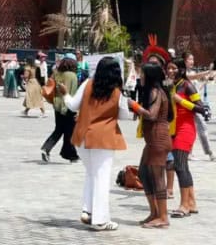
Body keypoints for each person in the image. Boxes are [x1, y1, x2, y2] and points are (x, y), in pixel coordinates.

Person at [57, 56, 133, 231]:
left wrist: (65, 94)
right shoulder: (117, 92)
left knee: (91, 174)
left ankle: (88, 211)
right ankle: (100, 219)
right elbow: (124, 116)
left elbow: (72, 105)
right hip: (103, 138)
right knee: (102, 177)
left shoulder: (87, 84)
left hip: (82, 136)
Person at [132, 62, 172, 228]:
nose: (140, 77)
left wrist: (134, 106)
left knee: (157, 177)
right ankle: (154, 212)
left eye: (142, 74)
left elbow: (152, 115)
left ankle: (163, 217)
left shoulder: (155, 92)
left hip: (158, 139)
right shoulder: (156, 91)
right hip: (153, 140)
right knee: (143, 172)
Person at [169, 57, 206, 217]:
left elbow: (201, 108)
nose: (170, 71)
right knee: (183, 166)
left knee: (179, 166)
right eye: (168, 68)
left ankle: (184, 205)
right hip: (174, 129)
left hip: (186, 129)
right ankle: (191, 203)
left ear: (182, 70)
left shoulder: (187, 85)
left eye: (174, 68)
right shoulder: (172, 85)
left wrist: (181, 102)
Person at [41, 54, 80, 163]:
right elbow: (72, 93)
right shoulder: (72, 76)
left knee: (59, 129)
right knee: (69, 132)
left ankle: (47, 148)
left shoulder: (56, 74)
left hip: (57, 105)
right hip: (68, 107)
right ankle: (70, 155)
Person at [184, 53, 213, 160]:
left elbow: (197, 89)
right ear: (184, 60)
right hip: (185, 105)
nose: (192, 61)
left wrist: (206, 80)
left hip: (196, 105)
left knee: (202, 128)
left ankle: (210, 152)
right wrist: (207, 71)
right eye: (189, 59)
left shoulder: (193, 72)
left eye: (192, 59)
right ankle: (188, 152)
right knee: (188, 130)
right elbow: (192, 77)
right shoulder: (182, 72)